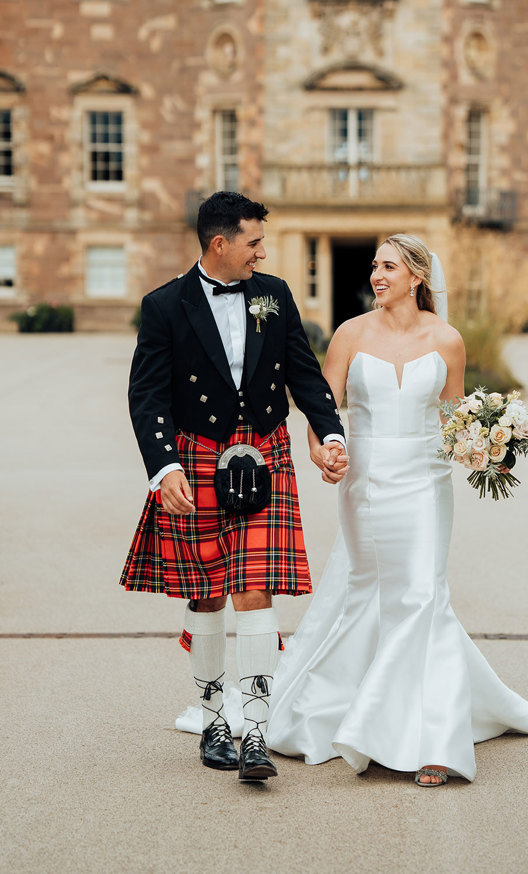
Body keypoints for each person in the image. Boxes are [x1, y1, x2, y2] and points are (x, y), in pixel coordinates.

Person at [266, 234, 528, 786]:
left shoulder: (447, 340)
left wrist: (488, 443)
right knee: (370, 590)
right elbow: (321, 408)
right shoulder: (350, 334)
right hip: (365, 481)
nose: (376, 275)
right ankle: (357, 709)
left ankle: (434, 742)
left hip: (426, 482)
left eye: (388, 267)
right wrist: (323, 450)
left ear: (416, 277)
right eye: (375, 266)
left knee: (423, 595)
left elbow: (452, 418)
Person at [120, 191, 347, 782]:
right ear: (220, 243)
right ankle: (214, 715)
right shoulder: (165, 305)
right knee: (206, 593)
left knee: (253, 590)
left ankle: (254, 730)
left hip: (263, 452)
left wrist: (329, 433)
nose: (261, 253)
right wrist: (163, 467)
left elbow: (303, 369)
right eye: (253, 242)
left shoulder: (274, 294)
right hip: (195, 456)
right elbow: (147, 394)